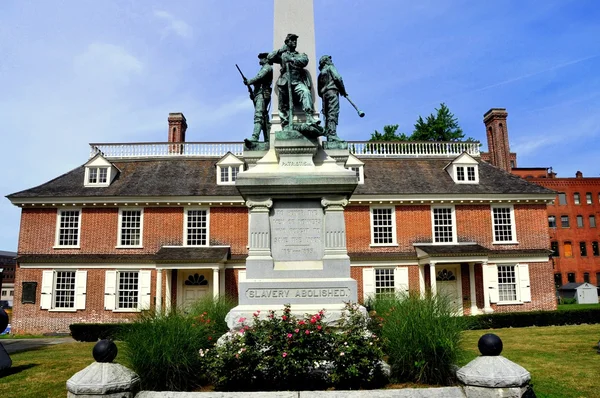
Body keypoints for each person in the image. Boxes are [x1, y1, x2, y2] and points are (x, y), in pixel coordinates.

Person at [268, 33, 319, 128]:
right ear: (287, 42)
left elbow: (304, 61)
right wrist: (280, 50)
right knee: (282, 105)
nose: (294, 42)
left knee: (306, 92)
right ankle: (285, 122)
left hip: (296, 82)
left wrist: (291, 59)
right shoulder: (282, 55)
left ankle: (309, 117)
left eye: (295, 40)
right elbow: (269, 57)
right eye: (292, 40)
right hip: (284, 83)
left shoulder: (300, 55)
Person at [244, 52, 273, 142]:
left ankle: (255, 137)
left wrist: (249, 81)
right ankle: (267, 138)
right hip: (259, 94)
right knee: (263, 117)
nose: (260, 60)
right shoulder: (263, 68)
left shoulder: (267, 67)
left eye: (262, 58)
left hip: (263, 94)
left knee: (259, 115)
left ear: (266, 59)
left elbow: (259, 77)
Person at [317, 55, 347, 141]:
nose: (331, 61)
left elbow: (319, 91)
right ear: (326, 61)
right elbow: (338, 78)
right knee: (333, 112)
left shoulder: (320, 74)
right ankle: (332, 134)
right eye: (329, 59)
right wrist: (343, 90)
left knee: (326, 113)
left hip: (324, 95)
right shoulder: (330, 67)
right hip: (332, 92)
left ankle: (329, 134)